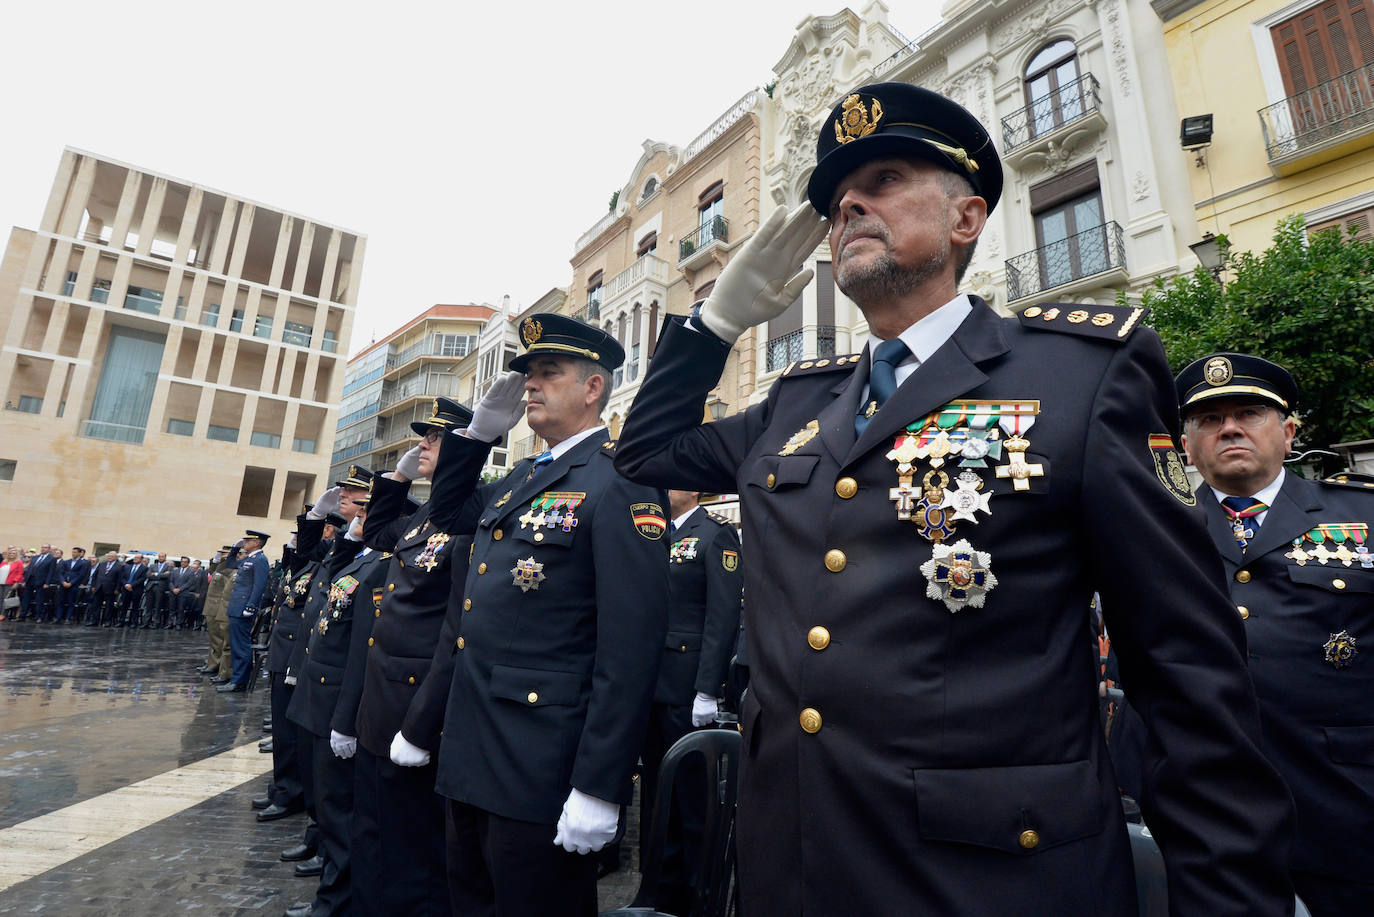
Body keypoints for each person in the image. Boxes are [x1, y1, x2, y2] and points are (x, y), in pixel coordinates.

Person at [614, 81, 1296, 916]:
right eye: (836, 201)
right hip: (793, 865)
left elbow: (1186, 673)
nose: (851, 205)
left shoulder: (1080, 376)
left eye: (887, 179)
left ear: (967, 218)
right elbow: (644, 452)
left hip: (987, 879)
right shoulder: (798, 403)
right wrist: (716, 321)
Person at [419, 323, 670, 917]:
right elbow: (451, 510)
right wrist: (478, 434)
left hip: (542, 764)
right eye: (528, 375)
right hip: (473, 747)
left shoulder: (621, 482)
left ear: (592, 388)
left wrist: (599, 786)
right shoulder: (522, 480)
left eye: (547, 374)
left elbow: (630, 649)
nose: (529, 386)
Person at [1176, 352, 1374, 917]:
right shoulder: (1156, 523)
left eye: (1249, 413)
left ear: (1288, 432)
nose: (1230, 428)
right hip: (1198, 809)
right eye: (1209, 420)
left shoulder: (1361, 516)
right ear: (1187, 445)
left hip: (1343, 803)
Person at [353, 395, 482, 917]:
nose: (422, 444)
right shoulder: (424, 515)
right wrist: (399, 478)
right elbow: (381, 531)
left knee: (418, 847)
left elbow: (458, 627)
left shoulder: (470, 514)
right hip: (380, 699)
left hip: (419, 703)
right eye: (422, 437)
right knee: (377, 829)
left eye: (434, 438)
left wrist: (424, 721)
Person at [629, 489, 742, 914]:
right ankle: (659, 890)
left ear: (692, 487)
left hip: (688, 689)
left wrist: (708, 688)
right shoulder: (655, 533)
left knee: (694, 803)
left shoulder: (714, 535)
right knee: (658, 796)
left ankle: (700, 894)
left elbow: (723, 615)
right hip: (652, 687)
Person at [284, 502, 388, 917]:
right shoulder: (354, 559)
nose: (356, 520)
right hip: (317, 695)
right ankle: (330, 880)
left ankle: (336, 900)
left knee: (341, 810)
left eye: (366, 513)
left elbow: (364, 648)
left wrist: (347, 718)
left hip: (338, 699)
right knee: (324, 802)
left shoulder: (379, 565)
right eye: (356, 513)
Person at [221, 531, 270, 693]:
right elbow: (230, 564)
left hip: (243, 608)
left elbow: (259, 586)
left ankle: (239, 681)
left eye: (247, 541)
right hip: (236, 607)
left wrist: (251, 606)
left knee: (241, 646)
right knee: (236, 644)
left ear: (257, 543)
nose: (244, 543)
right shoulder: (249, 559)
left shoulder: (260, 560)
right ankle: (237, 679)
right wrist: (234, 550)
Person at [200, 547, 237, 682]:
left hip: (220, 607)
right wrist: (215, 561)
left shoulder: (230, 569)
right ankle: (213, 664)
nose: (222, 556)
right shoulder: (221, 568)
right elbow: (214, 572)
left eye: (225, 553)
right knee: (214, 639)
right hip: (212, 606)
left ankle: (219, 667)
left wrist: (224, 560)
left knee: (221, 640)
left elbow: (223, 573)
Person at [20, 543, 56, 621]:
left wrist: (47, 583)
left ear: (49, 549)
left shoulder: (52, 559)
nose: (43, 549)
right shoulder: (35, 557)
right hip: (30, 580)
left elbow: (51, 572)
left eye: (45, 547)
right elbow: (30, 569)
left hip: (41, 581)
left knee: (39, 600)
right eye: (42, 547)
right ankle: (22, 616)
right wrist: (25, 581)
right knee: (25, 599)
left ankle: (39, 616)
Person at [87, 551, 124, 627]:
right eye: (109, 556)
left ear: (116, 558)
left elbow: (120, 579)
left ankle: (107, 621)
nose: (109, 557)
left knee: (109, 606)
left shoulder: (119, 566)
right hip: (99, 587)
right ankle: (94, 621)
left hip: (111, 589)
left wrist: (117, 589)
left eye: (112, 556)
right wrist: (93, 586)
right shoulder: (101, 564)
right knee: (96, 605)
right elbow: (94, 576)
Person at [56, 547, 90, 624]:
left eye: (75, 552)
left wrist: (71, 583)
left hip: (73, 585)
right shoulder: (66, 562)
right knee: (61, 601)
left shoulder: (83, 563)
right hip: (63, 584)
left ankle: (68, 618)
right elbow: (61, 573)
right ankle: (58, 618)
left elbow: (81, 575)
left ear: (79, 553)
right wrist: (63, 581)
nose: (73, 553)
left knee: (71, 602)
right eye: (72, 552)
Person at [116, 553, 149, 627]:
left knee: (135, 607)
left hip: (136, 590)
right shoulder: (128, 567)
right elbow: (122, 577)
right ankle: (121, 621)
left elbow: (142, 579)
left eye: (137, 558)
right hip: (126, 589)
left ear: (141, 559)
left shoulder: (144, 568)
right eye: (135, 557)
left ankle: (133, 622)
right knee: (124, 606)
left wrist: (132, 585)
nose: (135, 559)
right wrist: (126, 584)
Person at [144, 552, 174, 628]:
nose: (161, 558)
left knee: (158, 606)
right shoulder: (152, 565)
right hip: (150, 587)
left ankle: (156, 623)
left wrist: (155, 574)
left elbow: (167, 575)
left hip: (160, 588)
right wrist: (161, 575)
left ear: (165, 558)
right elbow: (148, 575)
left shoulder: (168, 567)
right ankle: (146, 622)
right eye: (160, 556)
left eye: (162, 557)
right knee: (148, 606)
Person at [0, 547, 23, 620]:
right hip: (1, 582)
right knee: (0, 598)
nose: (11, 554)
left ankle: (3, 614)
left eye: (13, 553)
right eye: (10, 553)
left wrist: (16, 582)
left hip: (10, 583)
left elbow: (20, 573)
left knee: (5, 599)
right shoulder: (4, 561)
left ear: (16, 555)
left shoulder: (19, 562)